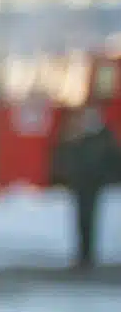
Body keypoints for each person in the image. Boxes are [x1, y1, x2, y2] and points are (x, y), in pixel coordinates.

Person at [50, 105, 121, 269]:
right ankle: (83, 254)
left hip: (93, 183)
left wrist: (109, 178)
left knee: (89, 218)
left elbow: (112, 159)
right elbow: (63, 154)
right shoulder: (75, 134)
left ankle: (88, 255)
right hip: (79, 182)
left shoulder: (102, 137)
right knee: (81, 219)